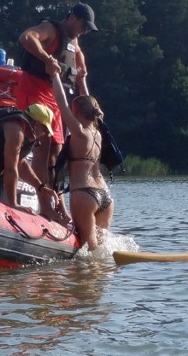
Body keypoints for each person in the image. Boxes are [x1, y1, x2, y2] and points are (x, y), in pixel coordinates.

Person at [15, 2, 98, 191]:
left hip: (54, 100)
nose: (84, 31)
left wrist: (81, 66)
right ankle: (44, 198)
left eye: (87, 28)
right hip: (34, 93)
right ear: (73, 18)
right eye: (83, 26)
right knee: (42, 150)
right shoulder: (50, 28)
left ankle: (55, 197)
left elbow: (76, 53)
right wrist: (47, 59)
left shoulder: (74, 39)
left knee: (55, 151)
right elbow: (26, 37)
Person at [52, 73, 113, 250]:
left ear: (76, 112)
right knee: (100, 250)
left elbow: (61, 104)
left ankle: (84, 278)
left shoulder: (79, 131)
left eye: (73, 110)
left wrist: (55, 75)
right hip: (105, 195)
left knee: (89, 249)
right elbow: (89, 103)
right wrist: (81, 80)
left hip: (85, 193)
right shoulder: (98, 132)